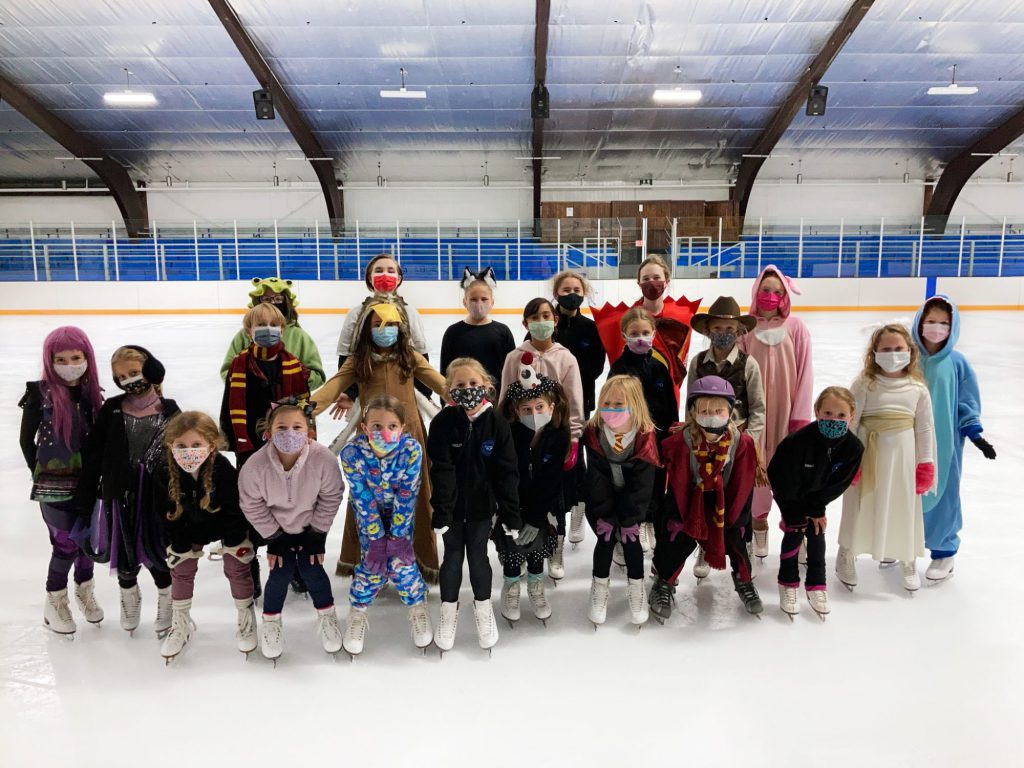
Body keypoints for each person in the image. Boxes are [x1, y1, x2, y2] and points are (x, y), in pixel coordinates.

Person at [313, 301, 447, 580]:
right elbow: (332, 388)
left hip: (409, 438)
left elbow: (438, 382)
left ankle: (421, 558)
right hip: (371, 442)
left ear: (401, 328)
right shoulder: (358, 360)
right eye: (378, 325)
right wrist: (304, 408)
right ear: (366, 328)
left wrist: (466, 396)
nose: (385, 330)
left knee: (417, 497)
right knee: (367, 500)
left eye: (392, 325)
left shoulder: (408, 356)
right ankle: (366, 559)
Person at [76, 345, 179, 636]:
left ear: (151, 370)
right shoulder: (112, 409)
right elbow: (94, 455)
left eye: (134, 373)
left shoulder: (170, 410)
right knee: (124, 554)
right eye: (121, 376)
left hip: (156, 499)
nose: (129, 380)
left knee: (158, 553)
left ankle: (166, 598)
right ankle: (129, 597)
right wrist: (85, 500)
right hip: (120, 497)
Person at [648, 377, 761, 623]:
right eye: (705, 411)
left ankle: (744, 580)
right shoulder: (679, 442)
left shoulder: (742, 443)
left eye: (718, 410)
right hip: (687, 502)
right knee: (675, 538)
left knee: (736, 539)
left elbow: (743, 482)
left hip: (725, 504)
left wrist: (733, 518)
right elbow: (673, 479)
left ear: (730, 412)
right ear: (693, 412)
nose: (711, 415)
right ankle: (664, 582)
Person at [238, 402, 345, 662]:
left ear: (309, 432)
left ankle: (327, 616)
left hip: (310, 529)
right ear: (269, 432)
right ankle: (272, 621)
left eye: (297, 427)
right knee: (281, 572)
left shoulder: (323, 460)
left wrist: (317, 534)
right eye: (281, 427)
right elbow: (250, 503)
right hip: (278, 533)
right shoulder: (255, 466)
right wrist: (274, 538)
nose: (289, 433)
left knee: (312, 569)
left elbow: (332, 495)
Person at [428, 357, 519, 653]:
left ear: (486, 386)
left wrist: (510, 513)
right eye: (460, 385)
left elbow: (506, 472)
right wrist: (442, 510)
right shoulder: (442, 423)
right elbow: (441, 469)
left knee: (479, 557)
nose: (467, 389)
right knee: (453, 557)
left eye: (473, 384)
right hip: (452, 511)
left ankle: (483, 607)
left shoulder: (497, 424)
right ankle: (448, 608)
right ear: (448, 391)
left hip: (482, 509)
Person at [836, 324, 936, 595]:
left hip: (903, 456)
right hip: (867, 453)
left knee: (903, 504)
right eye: (886, 349)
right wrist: (849, 461)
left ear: (910, 352)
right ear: (875, 352)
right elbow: (852, 423)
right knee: (859, 504)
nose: (893, 354)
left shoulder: (917, 388)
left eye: (898, 349)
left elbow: (925, 428)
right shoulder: (865, 383)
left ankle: (907, 557)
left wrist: (925, 463)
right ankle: (846, 553)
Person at [19, 326, 105, 636]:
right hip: (53, 486)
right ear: (50, 360)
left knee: (87, 541)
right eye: (61, 358)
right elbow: (26, 441)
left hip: (89, 484)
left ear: (87, 358)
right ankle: (54, 600)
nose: (70, 364)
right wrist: (40, 474)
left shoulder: (93, 396)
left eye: (76, 357)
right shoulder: (39, 394)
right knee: (65, 544)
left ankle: (84, 590)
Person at [154, 411, 257, 662]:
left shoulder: (222, 468)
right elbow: (166, 513)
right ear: (171, 445)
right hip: (188, 529)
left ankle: (246, 617)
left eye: (196, 445)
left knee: (237, 564)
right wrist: (180, 545)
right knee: (181, 567)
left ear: (211, 445)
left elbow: (235, 509)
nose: (189, 451)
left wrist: (232, 543)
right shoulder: (163, 471)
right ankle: (181, 623)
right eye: (181, 446)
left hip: (223, 525)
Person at [339, 395, 432, 657]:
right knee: (373, 563)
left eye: (392, 426)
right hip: (369, 515)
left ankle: (417, 605)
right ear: (365, 428)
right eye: (377, 426)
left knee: (400, 561)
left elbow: (408, 493)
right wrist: (377, 539)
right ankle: (358, 610)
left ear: (402, 428)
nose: (384, 431)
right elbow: (361, 496)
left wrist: (398, 536)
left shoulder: (411, 449)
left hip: (401, 514)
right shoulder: (352, 453)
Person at [498, 297, 584, 580]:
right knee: (525, 492)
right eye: (534, 318)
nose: (541, 322)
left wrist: (573, 439)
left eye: (546, 316)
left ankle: (554, 545)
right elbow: (504, 399)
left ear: (555, 320)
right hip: (522, 437)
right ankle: (521, 546)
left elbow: (573, 400)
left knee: (554, 497)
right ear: (526, 324)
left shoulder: (566, 357)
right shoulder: (514, 357)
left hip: (555, 436)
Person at [912, 296, 995, 583]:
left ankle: (944, 550)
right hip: (907, 438)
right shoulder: (908, 357)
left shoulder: (957, 363)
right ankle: (902, 543)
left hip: (944, 441)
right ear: (920, 323)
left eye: (943, 323)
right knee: (904, 488)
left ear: (953, 327)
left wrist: (973, 428)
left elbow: (967, 400)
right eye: (931, 321)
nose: (936, 327)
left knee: (942, 493)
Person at [737, 265, 813, 557]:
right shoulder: (746, 328)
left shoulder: (796, 327)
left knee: (788, 471)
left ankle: (794, 528)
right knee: (756, 468)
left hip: (786, 408)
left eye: (777, 291)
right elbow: (738, 370)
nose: (770, 296)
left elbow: (805, 372)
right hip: (755, 411)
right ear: (757, 291)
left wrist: (801, 416)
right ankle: (758, 525)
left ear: (784, 295)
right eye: (765, 290)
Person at [768, 387, 864, 620]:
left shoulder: (853, 448)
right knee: (795, 530)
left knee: (817, 531)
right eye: (828, 413)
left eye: (841, 416)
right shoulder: (797, 442)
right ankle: (788, 583)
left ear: (851, 416)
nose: (834, 420)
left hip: (816, 499)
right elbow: (781, 477)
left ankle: (817, 585)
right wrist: (797, 512)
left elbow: (838, 483)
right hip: (789, 495)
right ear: (817, 412)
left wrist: (816, 509)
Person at [687, 295, 766, 574]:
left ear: (739, 332)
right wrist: (693, 436)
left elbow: (758, 408)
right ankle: (705, 547)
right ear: (708, 331)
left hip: (736, 442)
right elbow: (690, 405)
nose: (724, 334)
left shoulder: (749, 364)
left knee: (735, 496)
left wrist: (750, 443)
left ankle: (737, 548)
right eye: (718, 329)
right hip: (704, 440)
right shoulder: (697, 362)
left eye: (730, 329)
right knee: (707, 492)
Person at [497, 355, 571, 627]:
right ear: (516, 412)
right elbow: (505, 477)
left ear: (551, 407)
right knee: (512, 546)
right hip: (512, 506)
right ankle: (512, 584)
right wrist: (513, 516)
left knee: (538, 546)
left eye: (539, 407)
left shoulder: (557, 436)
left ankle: (536, 585)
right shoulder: (509, 435)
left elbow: (551, 481)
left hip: (543, 507)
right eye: (526, 409)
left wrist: (537, 518)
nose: (534, 413)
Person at [583, 375, 659, 628]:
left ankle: (636, 587)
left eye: (619, 405)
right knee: (604, 540)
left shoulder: (644, 437)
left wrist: (630, 519)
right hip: (602, 500)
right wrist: (605, 514)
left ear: (635, 405)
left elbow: (642, 484)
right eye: (607, 403)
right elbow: (595, 477)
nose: (611, 409)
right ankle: (599, 586)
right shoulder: (594, 434)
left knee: (630, 540)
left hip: (633, 504)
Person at [609, 306, 678, 553]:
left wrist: (671, 436)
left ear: (653, 333)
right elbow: (611, 407)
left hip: (657, 438)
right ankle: (626, 524)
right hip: (629, 439)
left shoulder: (659, 367)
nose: (640, 337)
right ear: (624, 335)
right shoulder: (618, 368)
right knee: (631, 482)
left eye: (645, 332)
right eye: (634, 332)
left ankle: (650, 521)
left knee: (656, 482)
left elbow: (670, 405)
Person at [333, 254, 431, 416]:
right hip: (369, 387)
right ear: (369, 278)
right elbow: (346, 355)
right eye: (378, 270)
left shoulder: (409, 312)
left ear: (399, 278)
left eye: (390, 270)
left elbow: (420, 354)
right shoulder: (356, 314)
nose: (385, 274)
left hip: (403, 387)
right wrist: (350, 392)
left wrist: (424, 393)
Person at [550, 270, 606, 548]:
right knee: (557, 456)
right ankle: (561, 506)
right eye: (565, 289)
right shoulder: (547, 322)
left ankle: (579, 507)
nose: (571, 293)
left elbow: (597, 366)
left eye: (576, 288)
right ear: (556, 294)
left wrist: (576, 385)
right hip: (548, 406)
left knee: (579, 455)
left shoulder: (590, 328)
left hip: (581, 403)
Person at [591, 255, 699, 399]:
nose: (652, 283)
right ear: (639, 283)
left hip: (666, 394)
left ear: (666, 281)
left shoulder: (682, 317)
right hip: (631, 396)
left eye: (656, 277)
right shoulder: (624, 320)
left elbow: (679, 361)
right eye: (646, 279)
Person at [220, 302, 311, 468]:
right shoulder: (240, 363)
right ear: (249, 331)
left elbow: (303, 404)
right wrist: (237, 441)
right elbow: (229, 403)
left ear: (282, 330)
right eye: (261, 325)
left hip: (285, 435)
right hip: (249, 439)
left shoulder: (292, 363)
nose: (268, 329)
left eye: (274, 325)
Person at [219, 277, 325, 391]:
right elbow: (227, 371)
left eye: (278, 298)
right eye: (266, 299)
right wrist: (249, 384)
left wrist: (291, 382)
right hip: (252, 402)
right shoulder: (244, 334)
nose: (273, 303)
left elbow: (317, 376)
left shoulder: (300, 337)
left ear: (287, 302)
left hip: (288, 404)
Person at [439, 266, 515, 386]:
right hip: (463, 401)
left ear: (492, 302)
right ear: (465, 302)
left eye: (484, 299)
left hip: (498, 400)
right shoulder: (453, 333)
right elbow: (445, 373)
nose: (479, 304)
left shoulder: (503, 332)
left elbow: (512, 370)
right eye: (473, 299)